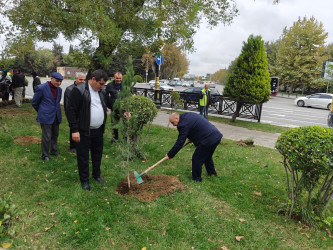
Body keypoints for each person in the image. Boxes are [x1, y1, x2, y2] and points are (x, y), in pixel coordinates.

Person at [66, 69, 110, 191]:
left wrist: (123, 111)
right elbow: (71, 111)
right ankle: (84, 180)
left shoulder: (101, 92)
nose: (102, 86)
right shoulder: (79, 90)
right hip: (84, 131)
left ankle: (96, 175)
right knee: (83, 156)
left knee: (97, 154)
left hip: (98, 130)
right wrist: (74, 130)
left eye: (104, 84)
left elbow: (109, 103)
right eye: (100, 84)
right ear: (93, 79)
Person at [165, 112, 223, 182]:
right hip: (216, 136)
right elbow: (194, 126)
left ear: (177, 118)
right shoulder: (188, 115)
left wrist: (170, 155)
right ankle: (212, 174)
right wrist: (192, 138)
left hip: (208, 140)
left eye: (173, 122)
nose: (173, 125)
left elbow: (180, 142)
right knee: (207, 156)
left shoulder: (182, 124)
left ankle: (196, 179)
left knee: (197, 158)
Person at [32, 72, 63, 161]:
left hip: (56, 115)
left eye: (60, 81)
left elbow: (57, 102)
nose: (59, 83)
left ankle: (53, 150)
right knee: (47, 136)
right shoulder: (41, 88)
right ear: (51, 78)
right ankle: (45, 155)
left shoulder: (59, 90)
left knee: (55, 134)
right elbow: (35, 103)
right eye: (57, 81)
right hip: (45, 116)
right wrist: (42, 111)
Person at [64, 72, 86, 154]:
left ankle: (83, 145)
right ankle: (73, 147)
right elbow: (67, 105)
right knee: (74, 129)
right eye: (80, 79)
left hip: (84, 114)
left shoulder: (86, 88)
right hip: (74, 114)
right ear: (76, 79)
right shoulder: (69, 89)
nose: (83, 81)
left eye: (84, 80)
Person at [105, 72, 128, 142]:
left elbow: (131, 92)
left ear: (122, 78)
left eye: (120, 78)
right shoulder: (110, 85)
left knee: (125, 124)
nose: (118, 80)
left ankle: (125, 139)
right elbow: (105, 95)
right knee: (114, 123)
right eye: (117, 78)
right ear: (114, 78)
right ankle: (115, 138)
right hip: (114, 108)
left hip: (124, 108)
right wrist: (106, 105)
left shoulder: (125, 85)